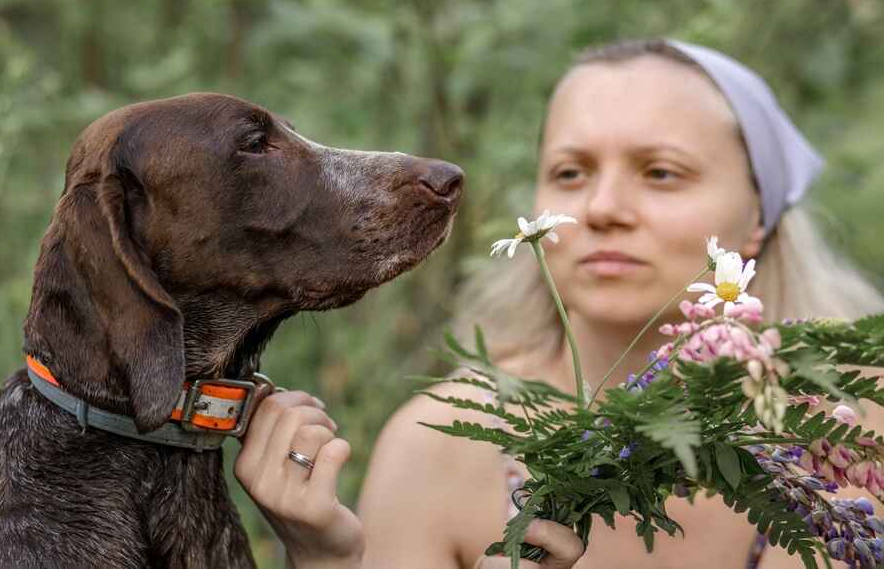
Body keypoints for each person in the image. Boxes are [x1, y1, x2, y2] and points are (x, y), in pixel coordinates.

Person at [234, 38, 884, 568]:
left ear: (757, 216)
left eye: (661, 172)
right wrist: (325, 561)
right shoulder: (441, 444)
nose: (601, 209)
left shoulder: (856, 426)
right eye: (570, 173)